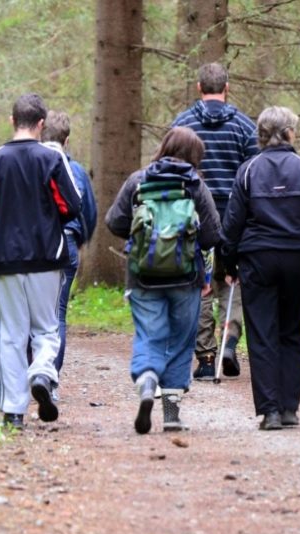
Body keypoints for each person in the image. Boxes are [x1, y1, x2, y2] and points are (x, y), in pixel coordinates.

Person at [220, 106, 300, 431]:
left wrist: (229, 264)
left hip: (258, 259)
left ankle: (270, 411)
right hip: (299, 258)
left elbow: (230, 228)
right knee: (293, 331)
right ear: (288, 133)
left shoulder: (248, 170)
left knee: (262, 334)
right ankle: (289, 409)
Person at [0, 94, 82, 430]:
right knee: (46, 327)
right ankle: (43, 373)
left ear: (11, 120)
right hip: (47, 257)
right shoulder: (51, 159)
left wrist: (0, 224)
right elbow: (70, 207)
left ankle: (13, 413)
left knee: (10, 334)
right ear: (42, 124)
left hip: (4, 259)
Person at [105, 127, 220, 434]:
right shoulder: (196, 185)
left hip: (142, 276)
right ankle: (171, 414)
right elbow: (211, 234)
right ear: (195, 156)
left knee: (149, 335)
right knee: (181, 341)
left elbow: (114, 222)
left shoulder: (138, 180)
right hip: (187, 277)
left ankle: (146, 380)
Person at [171, 62, 258, 381]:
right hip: (234, 217)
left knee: (200, 285)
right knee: (232, 282)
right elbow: (253, 175)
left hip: (192, 216)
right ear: (227, 87)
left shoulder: (183, 124)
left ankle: (207, 358)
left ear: (198, 87)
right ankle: (229, 343)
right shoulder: (246, 127)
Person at [41, 111, 98, 389]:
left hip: (36, 246)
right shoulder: (75, 170)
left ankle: (35, 371)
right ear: (67, 138)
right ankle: (50, 379)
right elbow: (89, 212)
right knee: (57, 314)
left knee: (33, 314)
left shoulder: (32, 165)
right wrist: (82, 238)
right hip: (67, 245)